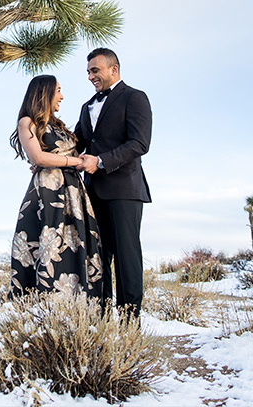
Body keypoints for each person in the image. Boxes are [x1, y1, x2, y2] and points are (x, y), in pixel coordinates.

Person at [9, 75, 104, 297]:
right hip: (48, 192)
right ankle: (42, 306)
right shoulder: (27, 122)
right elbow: (38, 158)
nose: (62, 96)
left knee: (72, 244)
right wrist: (74, 162)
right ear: (45, 93)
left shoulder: (57, 126)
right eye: (58, 91)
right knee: (50, 242)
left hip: (73, 193)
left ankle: (76, 305)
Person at [74, 48, 152, 317]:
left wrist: (101, 161)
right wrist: (45, 157)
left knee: (126, 256)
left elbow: (139, 143)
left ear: (113, 69)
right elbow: (77, 142)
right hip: (92, 192)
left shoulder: (134, 98)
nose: (90, 76)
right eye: (88, 72)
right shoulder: (87, 107)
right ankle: (103, 319)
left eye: (95, 70)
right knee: (98, 257)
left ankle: (130, 323)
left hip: (124, 190)